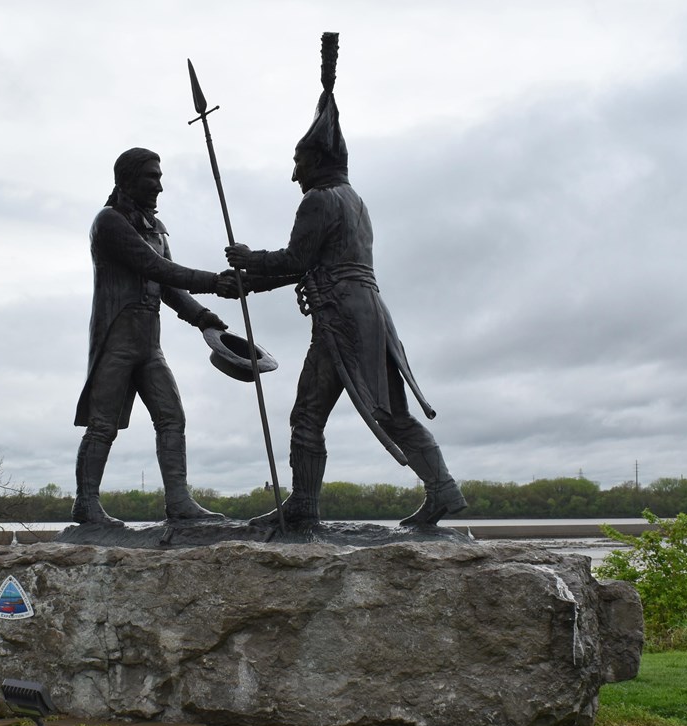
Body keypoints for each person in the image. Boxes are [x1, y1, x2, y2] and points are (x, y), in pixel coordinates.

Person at [223, 35, 466, 528]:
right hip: (368, 312)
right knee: (390, 410)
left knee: (308, 414)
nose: (293, 174)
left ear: (315, 161)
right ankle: (444, 491)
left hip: (341, 319)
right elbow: (309, 265)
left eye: (297, 162)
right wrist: (249, 280)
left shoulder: (319, 200)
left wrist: (250, 259)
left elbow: (295, 257)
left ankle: (304, 508)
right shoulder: (355, 201)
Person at [72, 147, 237, 526]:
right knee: (103, 424)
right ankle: (87, 502)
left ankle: (178, 501)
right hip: (116, 338)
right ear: (127, 178)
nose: (159, 186)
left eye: (160, 177)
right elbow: (154, 266)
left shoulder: (156, 230)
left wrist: (204, 318)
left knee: (171, 416)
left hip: (149, 343)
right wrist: (213, 282)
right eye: (152, 176)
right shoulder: (109, 222)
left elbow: (166, 285)